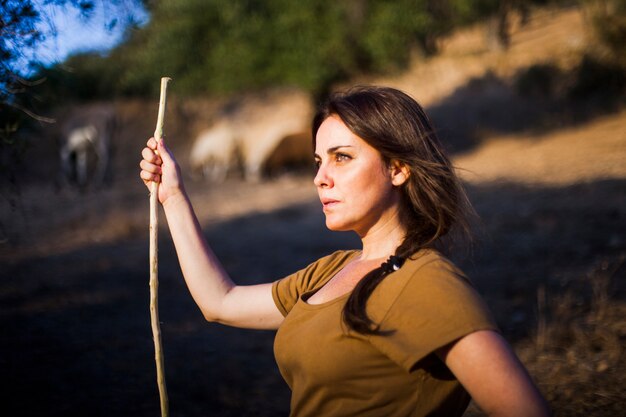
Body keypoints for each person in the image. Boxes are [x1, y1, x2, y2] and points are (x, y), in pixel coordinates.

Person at [139, 86, 550, 417]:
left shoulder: (427, 283)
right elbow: (221, 302)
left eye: (342, 158)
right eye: (318, 161)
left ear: (397, 168)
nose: (320, 178)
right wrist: (173, 195)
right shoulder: (332, 269)